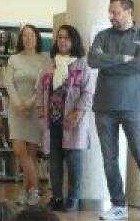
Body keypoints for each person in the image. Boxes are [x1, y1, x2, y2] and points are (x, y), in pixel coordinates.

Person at [88, 0, 140, 221]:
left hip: (133, 106)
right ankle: (118, 205)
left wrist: (109, 64)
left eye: (116, 12)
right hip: (104, 106)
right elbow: (93, 61)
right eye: (110, 12)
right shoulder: (102, 36)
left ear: (129, 11)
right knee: (109, 158)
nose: (111, 16)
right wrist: (123, 58)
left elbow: (139, 66)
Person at [37, 24, 96, 211]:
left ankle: (74, 199)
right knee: (54, 163)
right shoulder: (49, 63)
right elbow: (39, 88)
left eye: (67, 38)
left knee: (73, 162)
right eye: (60, 37)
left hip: (72, 121)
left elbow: (88, 93)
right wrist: (40, 107)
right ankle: (57, 197)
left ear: (74, 41)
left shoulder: (82, 64)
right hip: (52, 119)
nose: (62, 41)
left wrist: (78, 112)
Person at [6, 24, 53, 205]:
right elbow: (9, 83)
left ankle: (28, 191)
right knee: (19, 150)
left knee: (32, 152)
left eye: (31, 35)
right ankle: (36, 187)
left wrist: (30, 102)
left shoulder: (45, 59)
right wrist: (19, 104)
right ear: (21, 39)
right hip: (16, 110)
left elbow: (43, 86)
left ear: (37, 38)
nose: (28, 39)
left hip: (35, 109)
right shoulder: (14, 59)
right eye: (24, 36)